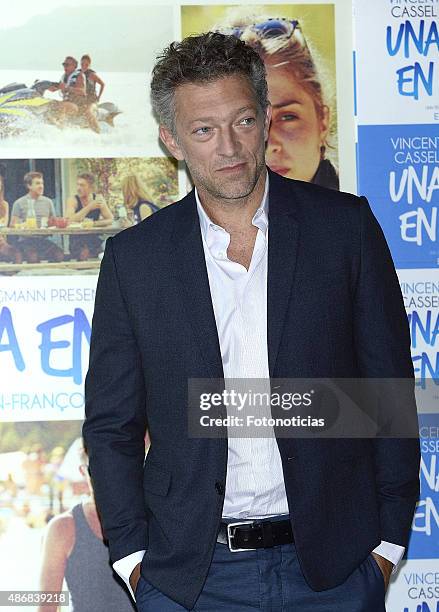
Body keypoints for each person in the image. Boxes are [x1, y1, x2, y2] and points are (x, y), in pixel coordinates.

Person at [82, 33, 420, 611]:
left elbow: (387, 394)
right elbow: (111, 425)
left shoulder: (345, 229)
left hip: (334, 571)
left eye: (241, 119)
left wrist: (386, 542)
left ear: (264, 119)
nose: (229, 146)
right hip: (191, 577)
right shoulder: (135, 259)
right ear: (172, 140)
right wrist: (134, 560)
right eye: (203, 130)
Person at [216, 16, 339, 189]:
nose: (269, 144)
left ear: (323, 122)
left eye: (287, 117)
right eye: (246, 121)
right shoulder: (191, 213)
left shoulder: (354, 212)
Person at [38, 438, 136, 612]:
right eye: (98, 468)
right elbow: (47, 606)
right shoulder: (63, 528)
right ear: (84, 471)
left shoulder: (150, 519)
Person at [10, 172, 64, 264]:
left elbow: (53, 222)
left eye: (42, 183)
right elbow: (12, 225)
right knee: (33, 258)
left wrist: (56, 222)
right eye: (37, 183)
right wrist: (22, 225)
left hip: (43, 239)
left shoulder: (48, 202)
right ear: (29, 186)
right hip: (26, 240)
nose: (41, 186)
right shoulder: (19, 203)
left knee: (60, 255)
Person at [65, 173, 113, 261]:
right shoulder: (73, 200)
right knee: (84, 253)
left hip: (94, 239)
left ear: (91, 187)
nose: (78, 188)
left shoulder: (98, 199)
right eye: (78, 185)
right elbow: (69, 220)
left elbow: (110, 219)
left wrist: (93, 224)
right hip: (77, 240)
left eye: (82, 185)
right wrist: (89, 207)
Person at [49, 56, 100, 133]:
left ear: (74, 66)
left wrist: (67, 87)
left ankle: (60, 130)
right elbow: (59, 87)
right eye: (64, 64)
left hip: (78, 106)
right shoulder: (64, 77)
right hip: (67, 102)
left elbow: (82, 91)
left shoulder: (79, 76)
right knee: (51, 103)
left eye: (67, 65)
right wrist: (51, 87)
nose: (65, 66)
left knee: (63, 106)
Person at [0, 173, 22, 264]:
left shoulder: (4, 204)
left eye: (0, 185)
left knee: (17, 255)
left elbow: (4, 224)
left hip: (1, 242)